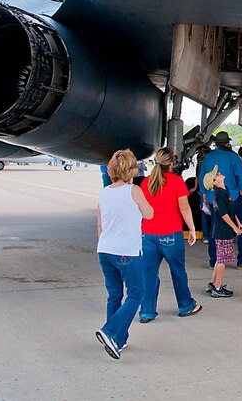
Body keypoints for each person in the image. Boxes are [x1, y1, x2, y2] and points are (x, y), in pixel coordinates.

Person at [94, 149, 154, 360]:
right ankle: (111, 331)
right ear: (131, 170)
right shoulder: (134, 190)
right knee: (137, 293)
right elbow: (149, 213)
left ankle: (119, 338)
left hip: (105, 249)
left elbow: (100, 225)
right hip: (127, 251)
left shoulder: (104, 192)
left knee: (115, 295)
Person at [138, 148, 202, 322]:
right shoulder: (176, 182)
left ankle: (147, 311)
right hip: (170, 234)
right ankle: (185, 305)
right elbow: (184, 208)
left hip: (148, 233)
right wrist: (191, 229)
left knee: (148, 273)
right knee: (178, 271)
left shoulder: (146, 183)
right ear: (172, 163)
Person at [198, 132, 242, 269]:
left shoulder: (208, 158)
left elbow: (202, 177)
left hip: (213, 197)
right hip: (232, 196)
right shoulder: (234, 157)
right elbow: (241, 175)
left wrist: (204, 194)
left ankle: (214, 261)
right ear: (228, 143)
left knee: (215, 228)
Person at [205, 165, 242, 299]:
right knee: (222, 260)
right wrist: (234, 227)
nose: (219, 173)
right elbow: (224, 214)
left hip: (222, 230)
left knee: (219, 259)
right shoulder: (220, 193)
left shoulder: (222, 192)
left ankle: (214, 283)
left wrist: (238, 222)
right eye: (216, 175)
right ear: (215, 182)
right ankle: (218, 287)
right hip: (223, 230)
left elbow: (229, 210)